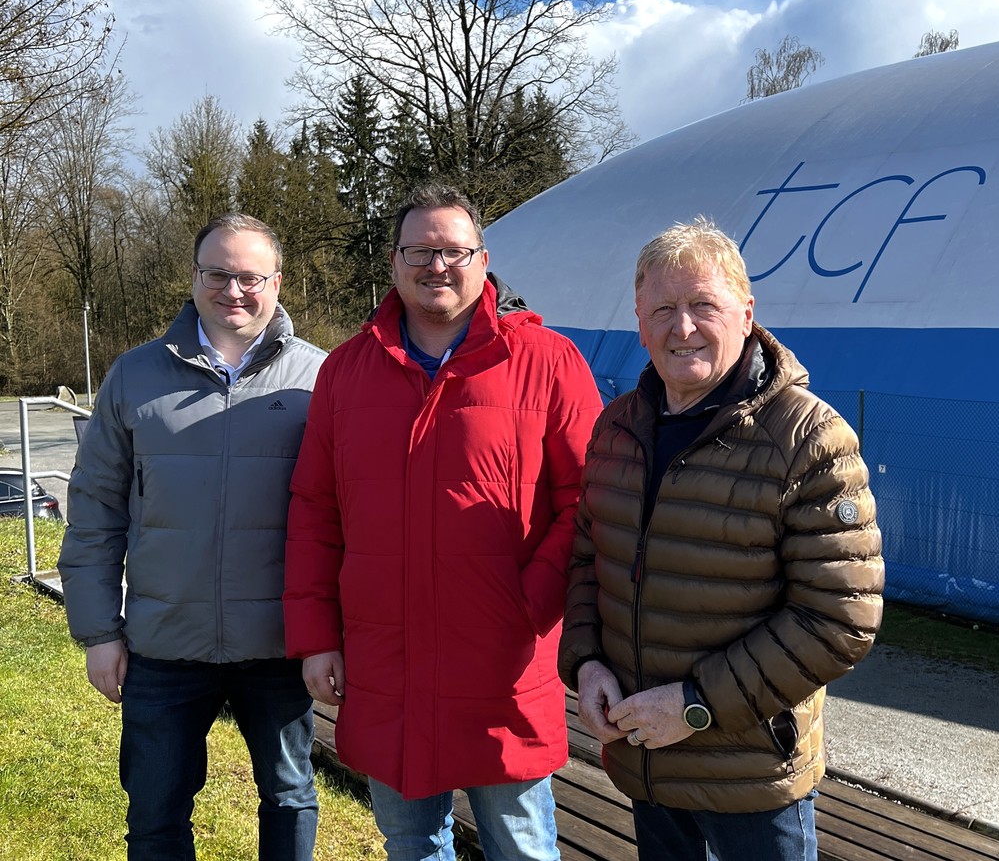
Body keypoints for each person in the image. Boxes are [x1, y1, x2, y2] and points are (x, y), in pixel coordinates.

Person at [283, 183, 602, 861]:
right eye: (420, 250)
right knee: (412, 844)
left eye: (453, 250)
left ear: (483, 260)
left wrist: (531, 598)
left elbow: (592, 501)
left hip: (503, 666)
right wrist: (317, 637)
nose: (437, 265)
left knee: (521, 846)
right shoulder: (346, 372)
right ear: (393, 262)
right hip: (386, 664)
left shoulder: (548, 363)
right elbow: (315, 511)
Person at [558, 217, 885, 861]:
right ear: (639, 319)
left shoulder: (809, 440)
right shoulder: (618, 427)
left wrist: (696, 706)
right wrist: (587, 659)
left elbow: (840, 618)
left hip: (750, 777)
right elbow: (588, 560)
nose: (682, 328)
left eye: (703, 304)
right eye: (663, 309)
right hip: (646, 759)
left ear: (746, 312)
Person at [58, 213, 327, 861]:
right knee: (155, 813)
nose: (233, 289)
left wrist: (334, 638)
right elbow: (95, 508)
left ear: (277, 282)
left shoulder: (323, 379)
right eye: (217, 273)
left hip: (280, 648)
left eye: (250, 276)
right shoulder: (135, 375)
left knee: (289, 800)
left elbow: (345, 521)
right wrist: (98, 631)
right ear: (195, 277)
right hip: (164, 645)